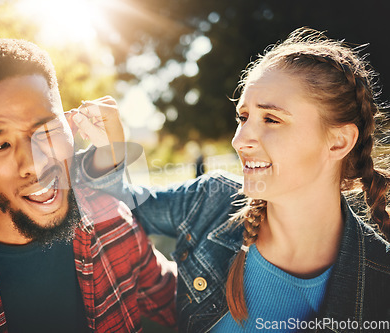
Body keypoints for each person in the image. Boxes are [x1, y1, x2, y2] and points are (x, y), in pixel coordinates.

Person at [82, 28, 390, 332]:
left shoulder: (381, 281)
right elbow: (118, 205)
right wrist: (108, 152)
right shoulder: (209, 201)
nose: (239, 140)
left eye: (271, 119)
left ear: (338, 142)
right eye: (243, 118)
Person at [0, 39, 176, 332]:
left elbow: (182, 305)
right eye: (0, 145)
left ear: (70, 126)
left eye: (48, 131)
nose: (35, 164)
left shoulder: (110, 215)